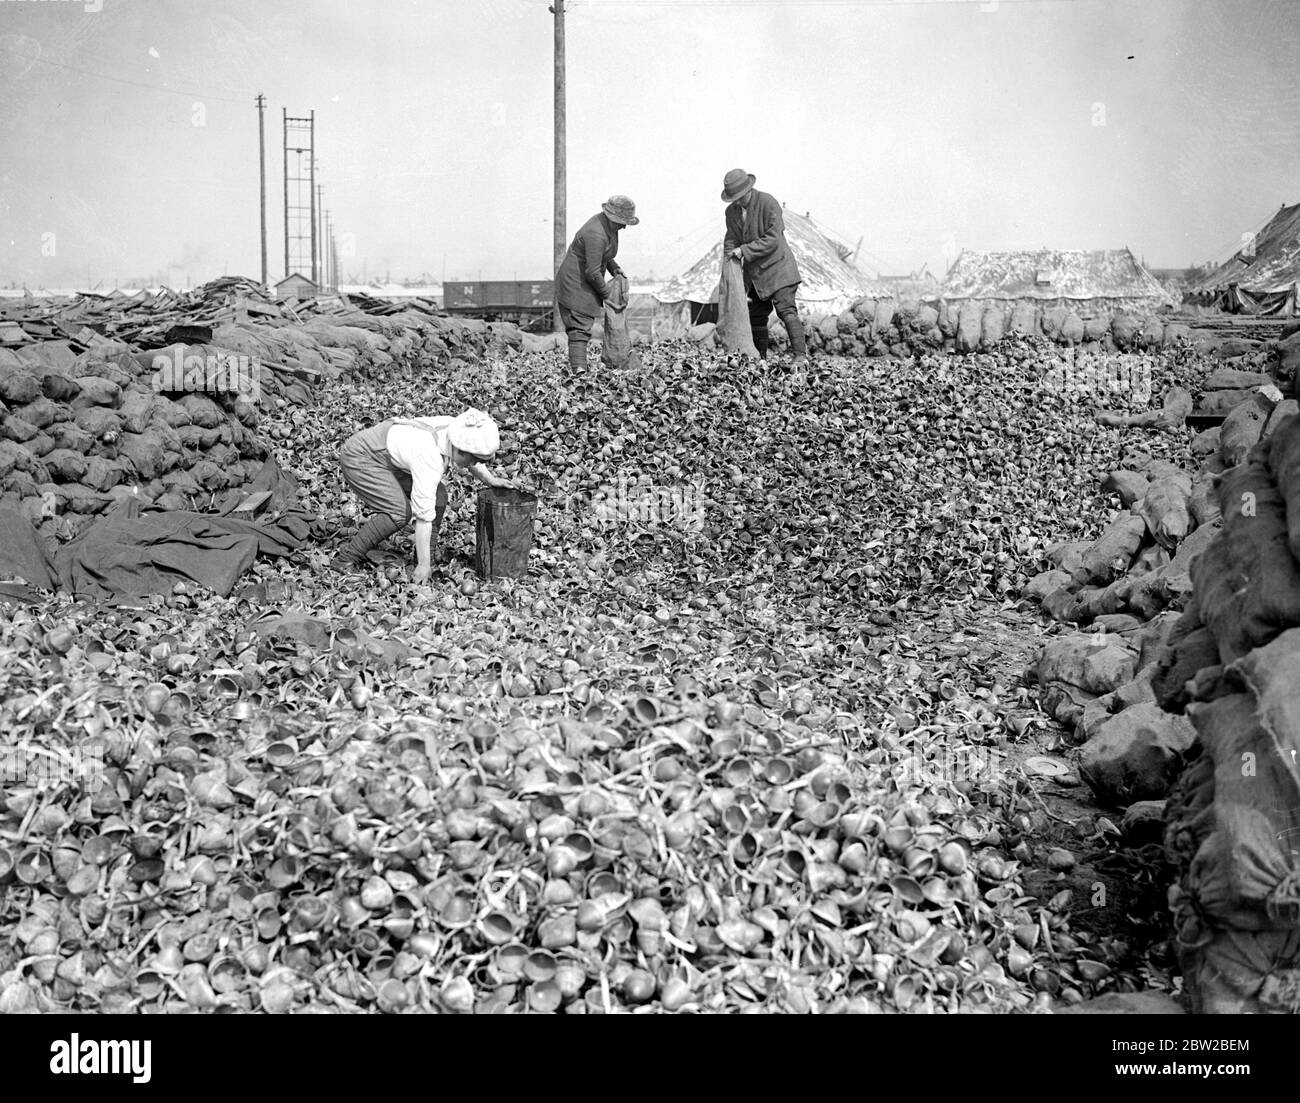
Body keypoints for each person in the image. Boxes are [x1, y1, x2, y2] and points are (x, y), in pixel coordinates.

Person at [332, 407, 513, 583]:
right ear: (459, 449)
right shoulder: (430, 457)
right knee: (399, 513)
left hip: (390, 455)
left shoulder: (457, 430)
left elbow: (472, 454)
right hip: (360, 457)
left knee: (439, 496)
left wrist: (490, 479)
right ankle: (346, 559)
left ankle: (424, 553)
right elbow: (424, 516)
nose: (472, 464)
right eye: (472, 460)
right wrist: (424, 566)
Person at [720, 169, 807, 362]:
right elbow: (732, 237)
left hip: (779, 268)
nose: (738, 201)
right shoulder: (731, 212)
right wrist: (729, 255)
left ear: (749, 189)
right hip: (756, 274)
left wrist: (744, 251)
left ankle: (800, 356)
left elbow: (773, 238)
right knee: (757, 315)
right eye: (735, 198)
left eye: (741, 196)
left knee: (786, 310)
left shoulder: (768, 203)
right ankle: (760, 359)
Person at [555, 195, 638, 372]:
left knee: (583, 326)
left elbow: (604, 256)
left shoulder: (609, 227)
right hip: (575, 283)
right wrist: (607, 294)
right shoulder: (596, 232)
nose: (624, 226)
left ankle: (580, 369)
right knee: (579, 327)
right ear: (611, 217)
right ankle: (579, 373)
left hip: (585, 281)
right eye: (622, 222)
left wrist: (614, 268)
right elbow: (592, 272)